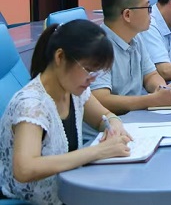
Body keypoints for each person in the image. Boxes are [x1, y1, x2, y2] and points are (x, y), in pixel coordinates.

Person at [0, 20, 132, 204]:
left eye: (97, 73)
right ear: (60, 57)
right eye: (88, 70)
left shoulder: (74, 89)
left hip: (69, 192)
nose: (92, 80)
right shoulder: (31, 106)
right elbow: (25, 169)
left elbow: (103, 117)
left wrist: (114, 125)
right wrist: (97, 151)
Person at [87, 0, 171, 141]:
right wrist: (151, 100)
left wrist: (162, 90)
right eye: (147, 8)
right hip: (104, 136)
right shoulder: (97, 47)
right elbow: (101, 99)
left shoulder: (136, 37)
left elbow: (150, 75)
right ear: (127, 15)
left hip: (133, 122)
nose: (151, 13)